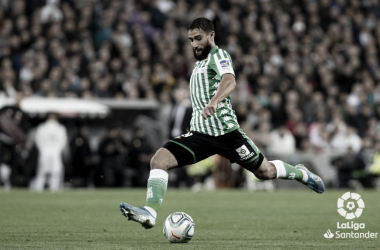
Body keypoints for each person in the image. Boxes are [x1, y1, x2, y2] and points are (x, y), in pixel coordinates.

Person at [119, 18, 325, 229]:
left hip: (227, 134)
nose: (194, 44)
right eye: (191, 40)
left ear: (211, 36)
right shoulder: (198, 64)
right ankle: (150, 212)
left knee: (265, 172)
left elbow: (229, 80)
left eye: (198, 38)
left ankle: (301, 173)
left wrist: (214, 102)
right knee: (159, 160)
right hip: (199, 134)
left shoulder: (219, 55)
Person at [32, 113, 67, 192]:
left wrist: (58, 149)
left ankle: (54, 187)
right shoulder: (42, 127)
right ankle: (39, 187)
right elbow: (38, 139)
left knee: (55, 170)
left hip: (54, 150)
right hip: (46, 150)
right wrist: (42, 148)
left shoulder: (60, 128)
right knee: (42, 170)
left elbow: (63, 141)